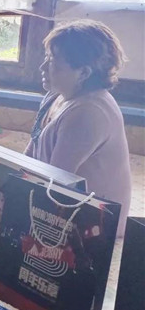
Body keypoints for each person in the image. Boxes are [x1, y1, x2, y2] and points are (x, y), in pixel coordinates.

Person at [25, 19, 131, 236]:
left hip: (94, 228)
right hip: (62, 203)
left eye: (52, 62)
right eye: (46, 58)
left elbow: (55, 182)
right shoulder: (56, 95)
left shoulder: (89, 113)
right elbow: (30, 152)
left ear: (83, 73)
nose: (42, 67)